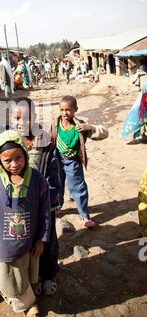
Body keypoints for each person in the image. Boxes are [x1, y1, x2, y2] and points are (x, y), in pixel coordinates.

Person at [0, 130, 51, 317]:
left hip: (29, 241)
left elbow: (45, 212)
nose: (14, 164)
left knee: (26, 271)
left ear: (26, 154)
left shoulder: (37, 179)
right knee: (9, 277)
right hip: (4, 245)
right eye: (7, 160)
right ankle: (29, 304)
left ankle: (25, 297)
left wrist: (41, 239)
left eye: (19, 157)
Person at [9, 98, 61, 296]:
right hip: (20, 206)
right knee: (27, 242)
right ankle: (34, 276)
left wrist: (52, 200)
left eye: (26, 118)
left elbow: (54, 174)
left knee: (47, 241)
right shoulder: (9, 141)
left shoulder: (45, 142)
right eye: (16, 118)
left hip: (44, 205)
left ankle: (48, 274)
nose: (20, 123)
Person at [51, 95, 108, 228]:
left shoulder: (80, 125)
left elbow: (104, 133)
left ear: (75, 109)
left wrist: (89, 128)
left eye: (68, 110)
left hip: (73, 163)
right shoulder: (55, 124)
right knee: (57, 185)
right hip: (58, 161)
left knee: (78, 188)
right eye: (62, 110)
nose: (65, 113)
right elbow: (48, 139)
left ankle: (84, 215)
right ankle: (58, 206)